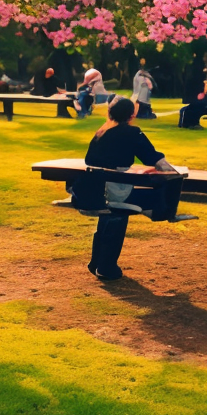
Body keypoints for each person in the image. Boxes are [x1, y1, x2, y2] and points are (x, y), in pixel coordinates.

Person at [80, 97, 185, 280]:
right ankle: (106, 266)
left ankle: (98, 262)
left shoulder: (100, 133)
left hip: (96, 192)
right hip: (119, 192)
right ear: (132, 115)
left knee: (111, 210)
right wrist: (172, 171)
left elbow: (90, 160)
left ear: (109, 113)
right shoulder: (132, 132)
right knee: (160, 190)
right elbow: (155, 159)